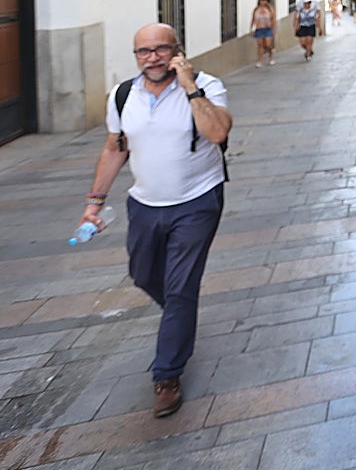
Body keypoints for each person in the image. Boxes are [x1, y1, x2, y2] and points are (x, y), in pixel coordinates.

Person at [75, 24, 231, 418]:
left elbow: (217, 131)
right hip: (144, 204)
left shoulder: (207, 85)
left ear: (178, 51)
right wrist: (95, 202)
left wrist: (188, 84)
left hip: (197, 201)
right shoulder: (122, 94)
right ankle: (181, 315)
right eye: (144, 51)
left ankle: (167, 375)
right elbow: (115, 147)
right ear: (136, 56)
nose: (153, 57)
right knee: (144, 274)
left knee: (179, 289)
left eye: (162, 50)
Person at [249, 0, 276, 67]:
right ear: (259, 1)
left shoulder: (270, 9)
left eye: (265, 0)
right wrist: (251, 29)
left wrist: (274, 29)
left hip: (268, 28)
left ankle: (271, 56)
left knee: (268, 44)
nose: (264, 2)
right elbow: (253, 20)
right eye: (262, 0)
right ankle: (261, 61)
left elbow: (273, 19)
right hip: (259, 29)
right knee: (260, 45)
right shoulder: (256, 10)